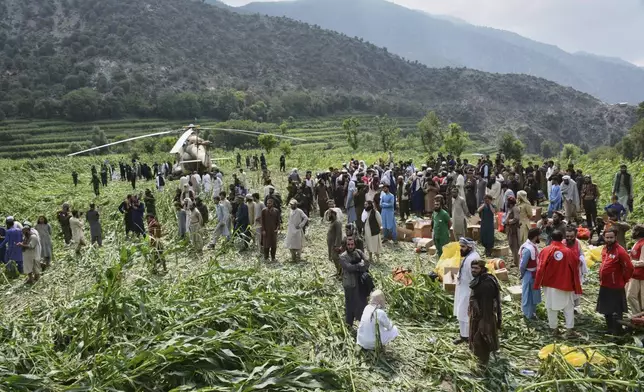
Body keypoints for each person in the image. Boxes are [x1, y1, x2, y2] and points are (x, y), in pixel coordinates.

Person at [534, 230, 581, 337]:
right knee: (568, 307)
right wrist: (575, 284)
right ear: (562, 238)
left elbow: (540, 268)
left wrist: (537, 283)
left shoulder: (545, 251)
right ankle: (569, 330)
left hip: (549, 284)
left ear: (551, 238)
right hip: (565, 284)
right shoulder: (568, 252)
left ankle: (554, 329)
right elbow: (575, 266)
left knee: (550, 306)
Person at [597, 228, 634, 335]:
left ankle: (617, 330)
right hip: (604, 284)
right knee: (606, 309)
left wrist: (624, 279)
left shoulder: (620, 251)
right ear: (604, 237)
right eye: (607, 237)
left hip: (615, 285)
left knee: (616, 310)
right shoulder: (604, 249)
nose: (609, 240)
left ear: (615, 238)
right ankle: (609, 329)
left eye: (611, 238)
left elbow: (630, 268)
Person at [469, 258, 502, 367]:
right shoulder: (480, 280)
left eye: (476, 268)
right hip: (478, 315)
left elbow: (488, 304)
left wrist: (485, 321)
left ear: (482, 269)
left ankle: (483, 363)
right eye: (472, 268)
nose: (473, 270)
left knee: (482, 338)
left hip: (484, 317)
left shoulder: (486, 284)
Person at [453, 238, 481, 344]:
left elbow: (475, 277)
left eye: (463, 247)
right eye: (460, 247)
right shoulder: (468, 257)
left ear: (470, 247)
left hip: (469, 290)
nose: (461, 249)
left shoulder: (474, 258)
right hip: (463, 289)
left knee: (467, 314)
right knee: (462, 313)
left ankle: (470, 337)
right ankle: (463, 336)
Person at [340, 236, 371, 327]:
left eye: (352, 244)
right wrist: (360, 265)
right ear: (346, 245)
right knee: (350, 304)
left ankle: (363, 323)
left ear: (354, 244)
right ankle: (349, 324)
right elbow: (349, 268)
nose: (350, 246)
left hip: (360, 283)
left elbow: (367, 263)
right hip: (350, 284)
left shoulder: (359, 252)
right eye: (348, 245)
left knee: (362, 303)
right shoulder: (343, 257)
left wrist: (359, 266)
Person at [519, 228, 542, 319]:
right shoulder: (528, 249)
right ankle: (527, 314)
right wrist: (522, 274)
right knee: (528, 294)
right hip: (528, 274)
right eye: (539, 236)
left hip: (534, 273)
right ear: (536, 236)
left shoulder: (533, 246)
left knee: (534, 294)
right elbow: (522, 264)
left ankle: (532, 312)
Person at [565, 226, 587, 311]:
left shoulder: (577, 243)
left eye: (571, 236)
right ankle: (567, 307)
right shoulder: (563, 243)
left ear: (575, 236)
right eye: (567, 236)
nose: (569, 238)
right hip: (566, 272)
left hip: (576, 270)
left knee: (575, 289)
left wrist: (581, 260)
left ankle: (574, 307)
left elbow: (581, 254)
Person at [627, 225, 644, 315]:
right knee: (635, 296)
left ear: (637, 232)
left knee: (631, 296)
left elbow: (643, 261)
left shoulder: (643, 244)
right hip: (634, 274)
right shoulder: (637, 243)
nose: (632, 233)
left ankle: (637, 315)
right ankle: (638, 315)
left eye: (633, 231)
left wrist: (632, 262)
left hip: (640, 275)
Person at [260, 198, 280, 262]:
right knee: (266, 244)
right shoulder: (264, 211)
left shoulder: (276, 211)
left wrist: (277, 228)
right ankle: (266, 257)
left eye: (269, 203)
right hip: (266, 230)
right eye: (267, 203)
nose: (268, 204)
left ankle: (273, 257)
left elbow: (278, 221)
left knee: (273, 244)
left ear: (272, 203)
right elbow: (262, 221)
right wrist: (263, 230)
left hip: (273, 231)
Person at [327, 209, 344, 276]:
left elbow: (339, 234)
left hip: (335, 244)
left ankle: (341, 272)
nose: (328, 215)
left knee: (335, 257)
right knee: (332, 257)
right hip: (331, 244)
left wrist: (337, 245)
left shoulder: (337, 222)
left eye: (329, 214)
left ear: (333, 214)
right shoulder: (332, 222)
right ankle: (338, 271)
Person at [505, 196, 521, 267]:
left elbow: (516, 218)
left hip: (514, 229)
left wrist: (509, 222)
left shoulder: (515, 208)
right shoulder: (510, 209)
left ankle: (517, 262)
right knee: (511, 244)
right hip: (509, 229)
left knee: (515, 245)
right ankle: (515, 260)